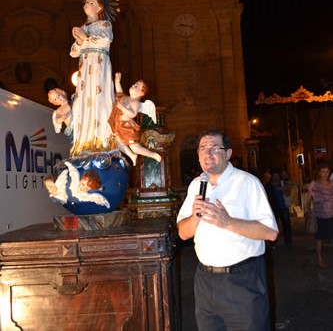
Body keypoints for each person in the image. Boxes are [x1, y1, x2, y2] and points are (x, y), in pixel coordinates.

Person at [177, 129, 278, 331]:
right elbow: (183, 233)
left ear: (228, 153)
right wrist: (195, 217)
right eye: (203, 149)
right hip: (205, 281)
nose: (208, 154)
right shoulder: (197, 185)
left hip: (242, 280)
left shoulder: (247, 183)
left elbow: (270, 232)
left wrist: (228, 222)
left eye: (215, 148)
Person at [70, 0, 119, 157]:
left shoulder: (104, 24)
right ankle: (84, 141)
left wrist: (86, 38)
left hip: (98, 65)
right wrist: (79, 39)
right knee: (83, 101)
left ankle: (101, 140)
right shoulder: (84, 26)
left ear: (99, 8)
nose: (87, 4)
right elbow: (74, 53)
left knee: (99, 99)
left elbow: (106, 40)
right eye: (86, 1)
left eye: (91, 2)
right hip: (84, 68)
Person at [109, 72, 162, 166]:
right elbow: (119, 93)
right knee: (117, 142)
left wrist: (122, 108)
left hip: (127, 127)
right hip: (118, 126)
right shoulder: (125, 97)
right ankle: (131, 155)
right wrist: (117, 81)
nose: (133, 85)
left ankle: (153, 155)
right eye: (134, 84)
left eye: (137, 86)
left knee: (135, 148)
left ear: (141, 93)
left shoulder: (135, 102)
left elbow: (133, 114)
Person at [306, 160, 333, 269]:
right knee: (319, 238)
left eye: (327, 172)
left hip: (331, 214)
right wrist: (308, 211)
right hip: (319, 215)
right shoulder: (314, 184)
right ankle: (320, 259)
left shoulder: (332, 183)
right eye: (323, 172)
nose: (325, 174)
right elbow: (308, 199)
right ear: (319, 172)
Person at [265, 169, 293, 249]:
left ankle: (288, 243)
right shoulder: (269, 185)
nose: (276, 178)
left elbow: (288, 193)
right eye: (274, 176)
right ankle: (273, 243)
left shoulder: (283, 183)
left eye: (277, 176)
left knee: (287, 226)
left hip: (283, 206)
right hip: (273, 208)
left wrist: (283, 189)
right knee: (274, 226)